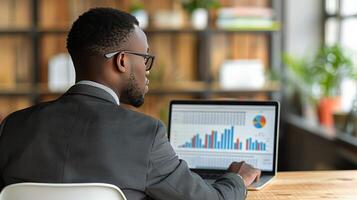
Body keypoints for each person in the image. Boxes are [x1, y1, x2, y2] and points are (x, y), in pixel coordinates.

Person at [0, 8, 260, 200]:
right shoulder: (145, 135)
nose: (146, 70)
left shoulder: (12, 127)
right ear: (122, 61)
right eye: (144, 58)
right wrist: (237, 178)